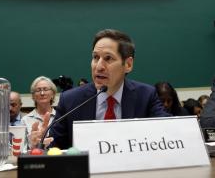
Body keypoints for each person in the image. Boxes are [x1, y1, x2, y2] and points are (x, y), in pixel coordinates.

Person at [31, 29, 168, 149]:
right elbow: (56, 148)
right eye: (95, 57)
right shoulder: (70, 100)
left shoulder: (146, 96)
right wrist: (41, 143)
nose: (99, 66)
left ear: (128, 64)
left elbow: (170, 132)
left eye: (108, 58)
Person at [22, 76, 57, 146]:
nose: (42, 93)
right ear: (33, 96)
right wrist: (33, 144)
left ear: (53, 94)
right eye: (38, 90)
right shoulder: (25, 120)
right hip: (34, 155)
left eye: (45, 89)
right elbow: (23, 149)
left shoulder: (61, 117)